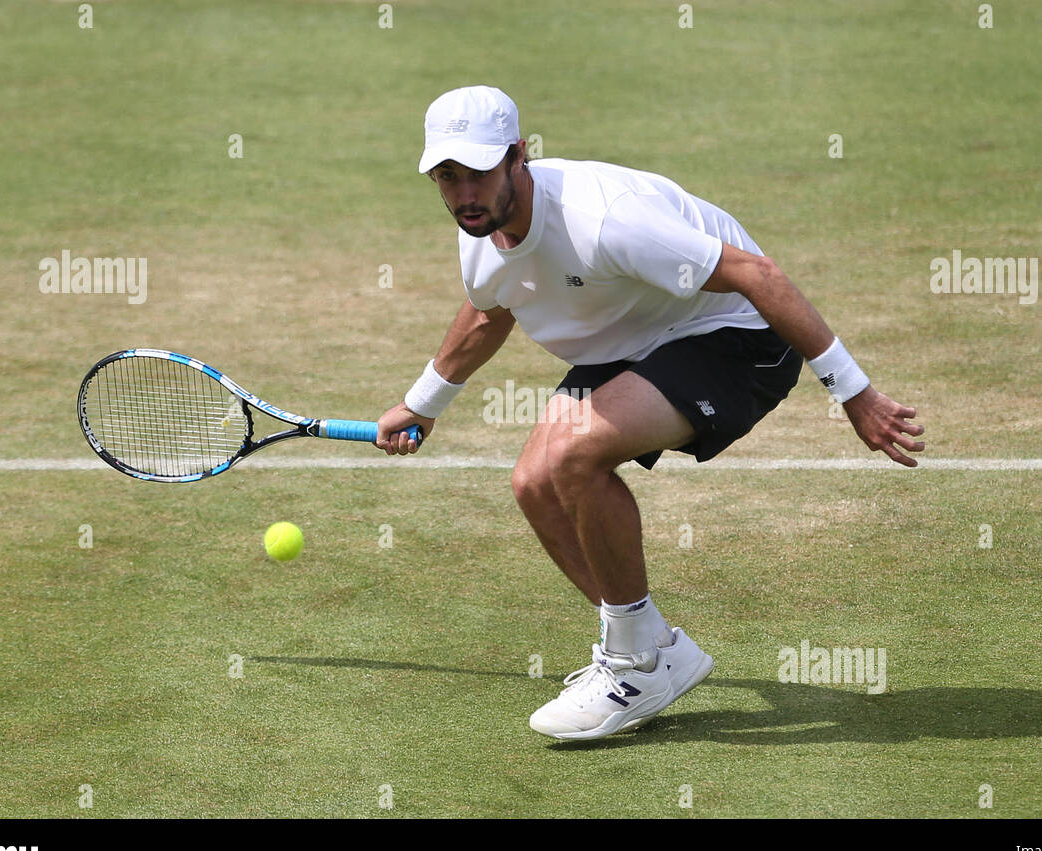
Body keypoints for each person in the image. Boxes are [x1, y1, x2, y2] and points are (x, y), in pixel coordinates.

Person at [376, 86, 924, 741]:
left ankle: (634, 667)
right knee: (533, 482)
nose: (464, 192)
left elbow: (759, 275)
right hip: (633, 333)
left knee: (575, 455)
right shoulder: (480, 233)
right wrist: (424, 403)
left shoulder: (607, 220)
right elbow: (492, 307)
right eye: (447, 176)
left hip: (736, 337)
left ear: (518, 157)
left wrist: (854, 391)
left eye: (478, 172)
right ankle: (653, 651)